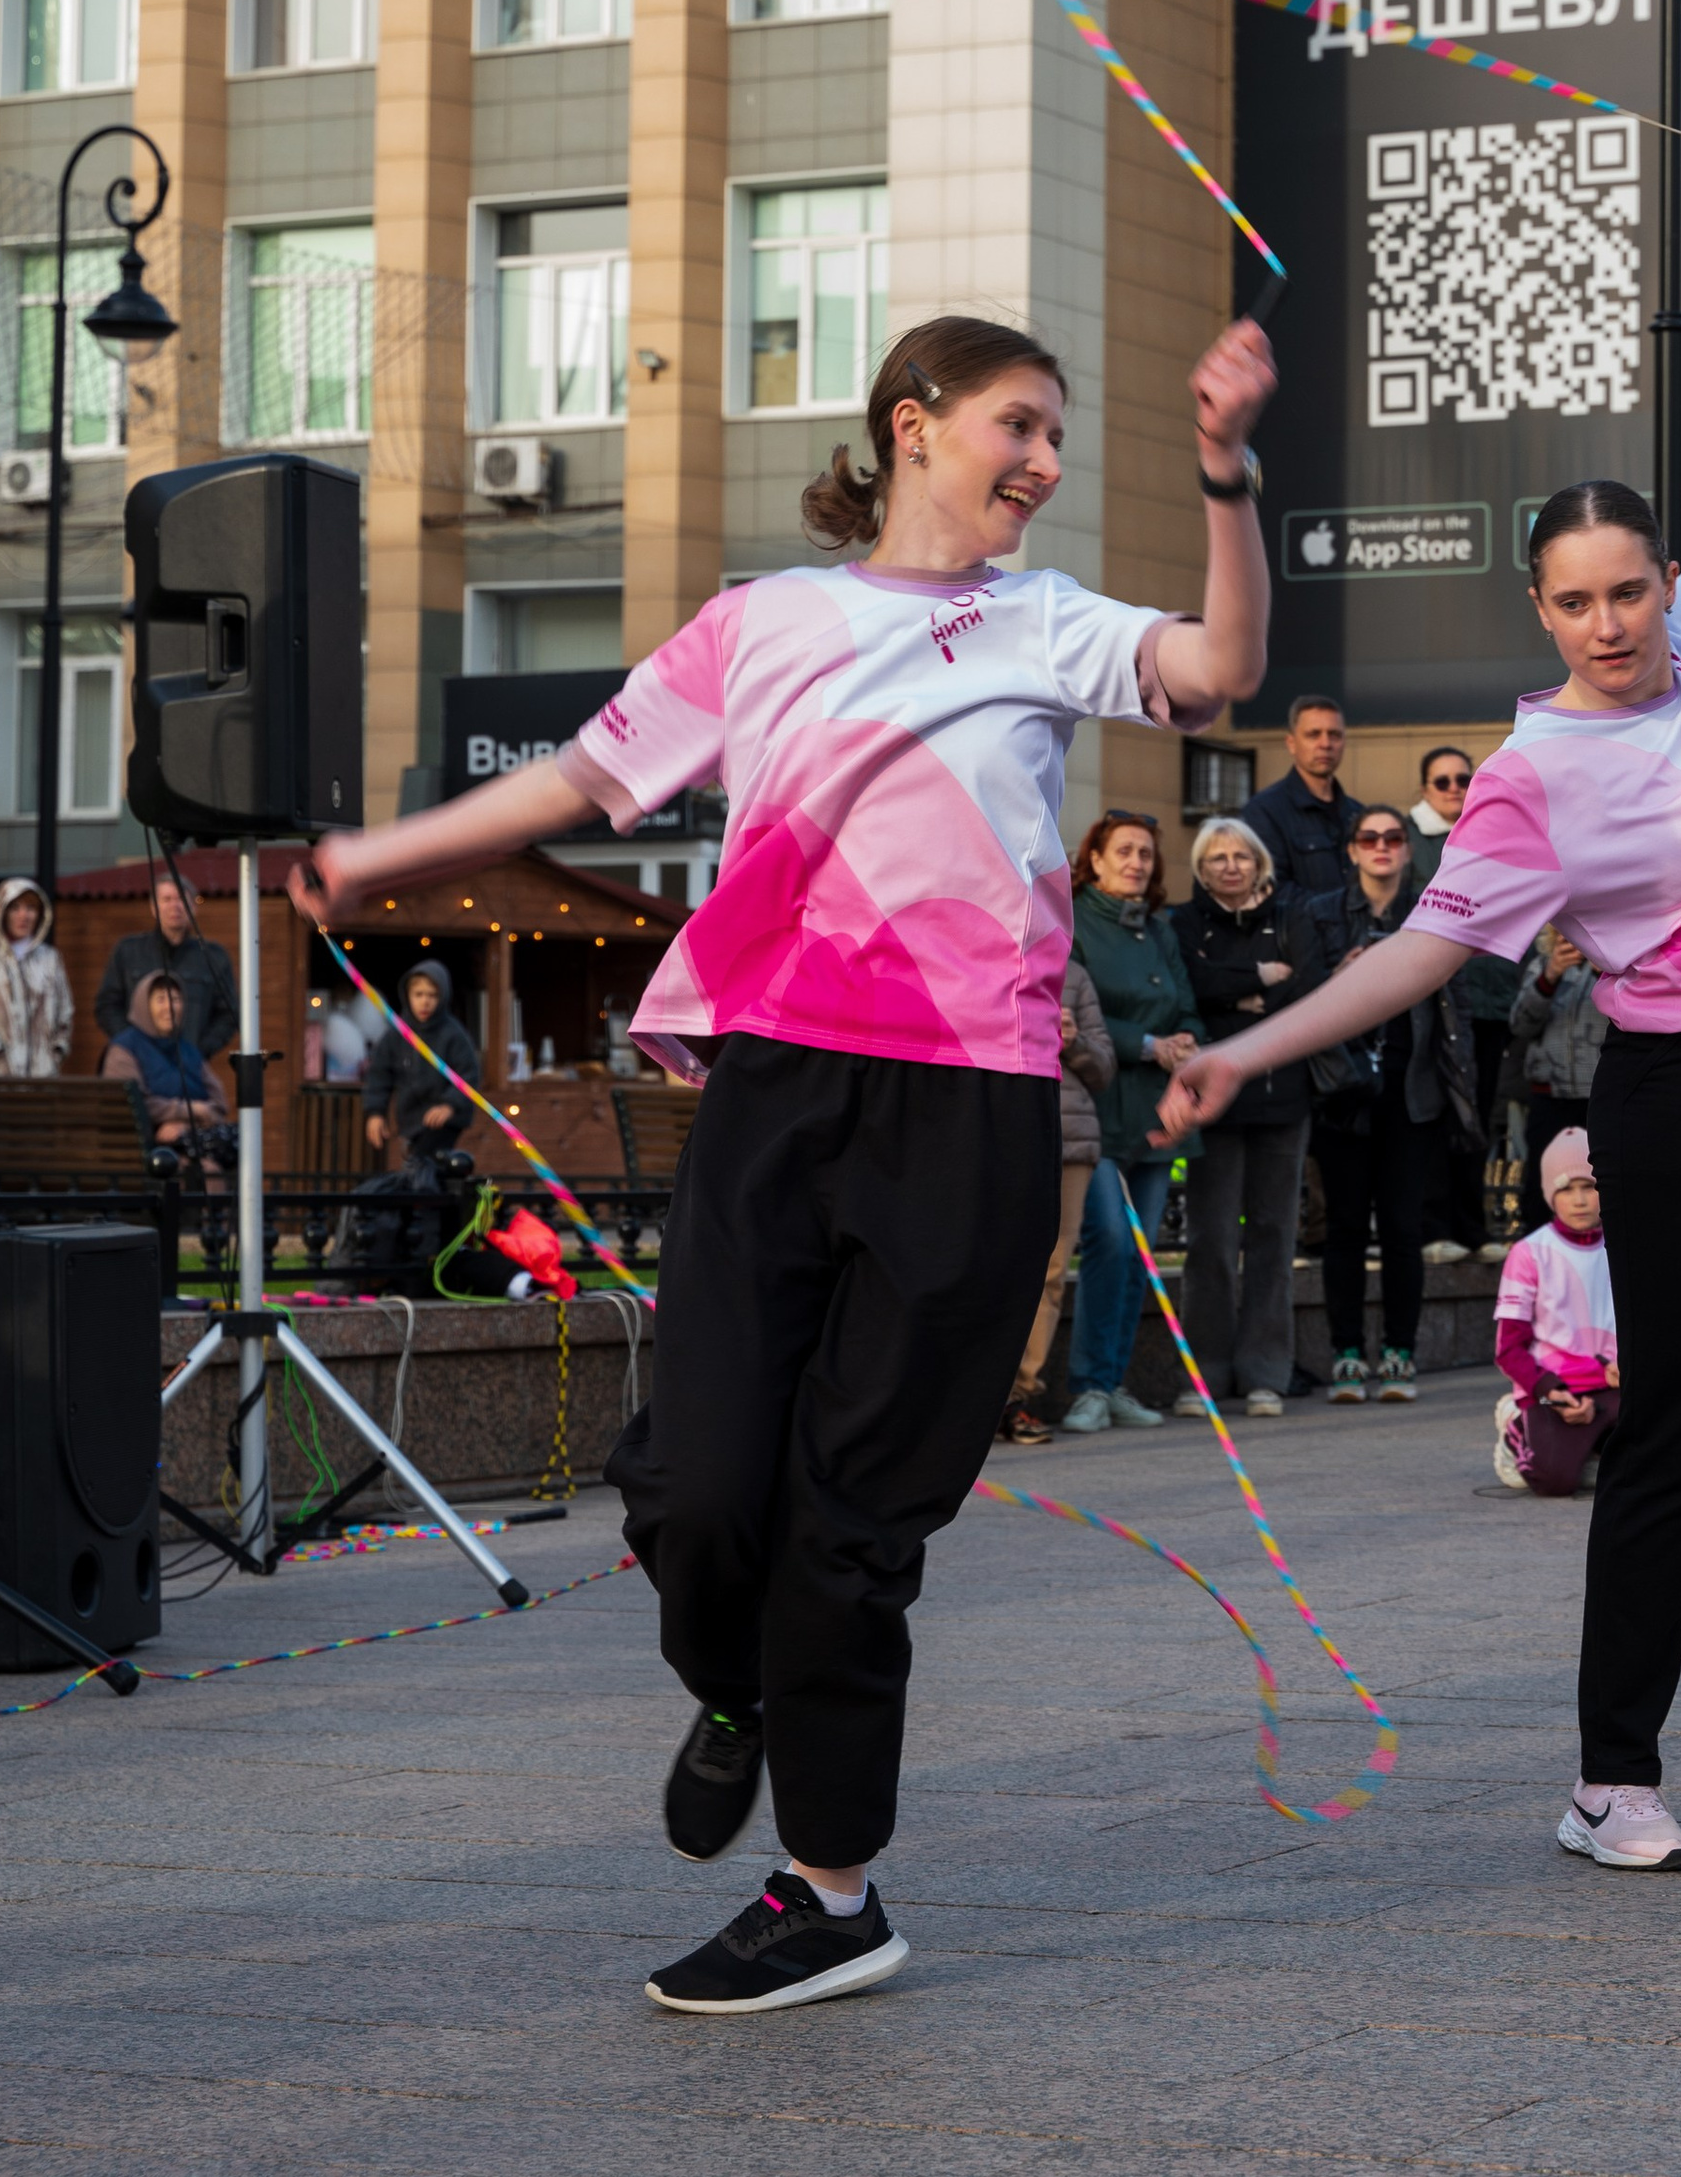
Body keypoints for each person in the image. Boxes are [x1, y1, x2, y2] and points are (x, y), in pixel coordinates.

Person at [291, 302, 1274, 2018]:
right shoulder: (766, 619)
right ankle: (738, 1686)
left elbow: (1219, 673)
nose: (1042, 463)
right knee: (690, 1487)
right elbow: (588, 778)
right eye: (1017, 426)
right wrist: (381, 850)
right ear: (914, 423)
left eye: (1058, 436)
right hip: (778, 1086)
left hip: (968, 1104)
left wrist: (1228, 475)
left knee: (851, 1522)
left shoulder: (1042, 621)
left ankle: (831, 1886)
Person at [1164, 154, 1681, 1871]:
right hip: (1677, 1095)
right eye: (1577, 599)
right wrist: (1241, 1044)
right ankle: (1614, 1771)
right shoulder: (1531, 777)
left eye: (1632, 587)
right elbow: (1420, 955)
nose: (1612, 619)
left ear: (1668, 580)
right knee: (1672, 1432)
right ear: (1541, 608)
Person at [1310, 800, 1474, 1405]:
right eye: (1369, 838)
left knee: (1404, 1231)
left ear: (1407, 848)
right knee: (1346, 1229)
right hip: (1343, 1095)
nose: (1381, 847)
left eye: (1393, 838)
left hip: (1412, 1093)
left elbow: (1454, 1013)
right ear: (1352, 849)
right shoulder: (1325, 915)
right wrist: (1339, 976)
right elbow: (1303, 1001)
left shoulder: (1434, 914)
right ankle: (1348, 1354)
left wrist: (1463, 1096)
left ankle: (1401, 1353)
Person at [1171, 814, 1327, 1416]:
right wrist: (1255, 983)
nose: (1230, 866)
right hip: (1212, 1106)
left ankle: (1266, 1370)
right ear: (1201, 869)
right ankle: (1203, 1376)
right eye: (1217, 858)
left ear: (1260, 864)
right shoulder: (1183, 923)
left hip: (1283, 1100)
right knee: (1209, 1239)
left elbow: (1307, 991)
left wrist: (1237, 997)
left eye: (1241, 857)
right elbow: (1193, 983)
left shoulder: (1292, 918)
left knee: (1272, 1236)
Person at [1062, 809, 1199, 1434]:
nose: (1136, 863)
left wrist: (1189, 1042)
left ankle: (1115, 1383)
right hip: (1100, 1110)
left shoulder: (1161, 929)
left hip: (1159, 1113)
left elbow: (1187, 1004)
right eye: (1124, 852)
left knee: (1140, 1251)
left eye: (1146, 853)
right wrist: (1149, 1044)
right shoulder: (1075, 923)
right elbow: (1075, 1012)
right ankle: (1089, 1385)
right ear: (1094, 860)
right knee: (1109, 1241)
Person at [1000, 955, 1114, 1446]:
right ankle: (966, 1397)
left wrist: (1075, 1042)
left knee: (1049, 1272)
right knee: (979, 1266)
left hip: (1068, 1139)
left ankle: (1018, 1398)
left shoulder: (1073, 973)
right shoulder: (967, 949)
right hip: (994, 1130)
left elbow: (1104, 1067)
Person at [1409, 745, 1515, 1247]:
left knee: (1481, 1113)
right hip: (1439, 1003)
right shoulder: (1409, 839)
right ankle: (1434, 1229)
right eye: (1442, 781)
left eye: (1461, 779)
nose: (1454, 788)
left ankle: (1473, 1229)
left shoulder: (1493, 832)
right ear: (1424, 789)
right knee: (1438, 1112)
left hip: (1492, 1006)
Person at [1492, 1127, 1620, 1497]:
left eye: (1589, 1186)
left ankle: (1594, 1450)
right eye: (1566, 1189)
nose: (1579, 1200)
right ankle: (1517, 1429)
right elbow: (1509, 1349)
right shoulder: (1530, 1253)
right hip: (1556, 1390)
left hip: (1613, 1387)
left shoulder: (1624, 1248)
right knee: (1552, 1482)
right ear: (1550, 1194)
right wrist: (1550, 1390)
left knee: (1666, 1466)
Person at [1506, 922, 1606, 1229]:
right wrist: (1549, 976)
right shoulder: (1541, 965)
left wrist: (1602, 970)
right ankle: (1538, 1251)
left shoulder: (1616, 967)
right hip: (1549, 1094)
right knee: (1541, 1184)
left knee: (1601, 1182)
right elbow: (1519, 1025)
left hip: (1600, 1094)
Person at [1240, 698, 1361, 935]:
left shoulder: (1358, 814)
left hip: (1360, 948)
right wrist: (1343, 912)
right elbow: (1271, 888)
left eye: (1334, 735)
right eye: (1314, 734)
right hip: (1299, 950)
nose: (1325, 744)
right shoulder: (1264, 811)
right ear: (1291, 743)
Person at [96, 864, 238, 1064]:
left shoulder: (213, 957)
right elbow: (107, 1006)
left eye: (181, 898)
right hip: (138, 1065)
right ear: (154, 908)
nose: (175, 905)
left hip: (189, 1068)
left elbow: (229, 1015)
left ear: (193, 908)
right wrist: (135, 1046)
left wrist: (198, 1052)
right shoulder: (127, 951)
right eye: (167, 899)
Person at [101, 969, 233, 1158]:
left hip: (191, 1145)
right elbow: (132, 1103)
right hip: (142, 1151)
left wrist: (186, 1126)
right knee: (205, 1173)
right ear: (143, 1005)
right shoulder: (125, 1049)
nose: (170, 1007)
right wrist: (193, 1110)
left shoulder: (189, 1051)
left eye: (176, 999)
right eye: (161, 999)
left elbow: (219, 1105)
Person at [361, 960, 484, 1161]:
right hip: (411, 1117)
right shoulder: (397, 1034)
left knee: (425, 1165)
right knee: (416, 1167)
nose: (425, 1002)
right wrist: (376, 1113)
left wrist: (449, 1105)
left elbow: (469, 1074)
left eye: (432, 995)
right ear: (407, 996)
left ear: (442, 998)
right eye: (419, 994)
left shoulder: (453, 1034)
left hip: (445, 1118)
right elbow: (379, 1074)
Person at [0, 875, 72, 1080]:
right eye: (15, 907)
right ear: (3, 911)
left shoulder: (50, 959)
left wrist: (56, 1051)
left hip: (42, 1077)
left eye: (31, 908)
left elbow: (65, 1011)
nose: (23, 916)